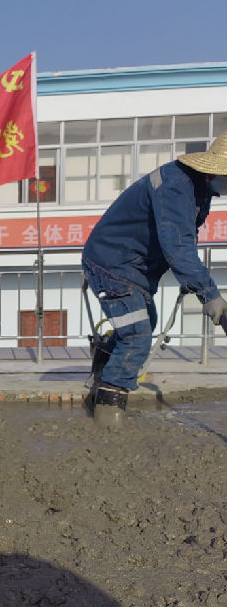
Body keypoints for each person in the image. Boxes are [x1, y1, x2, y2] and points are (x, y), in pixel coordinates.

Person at [82, 132, 227, 426]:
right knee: (137, 334)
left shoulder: (200, 187)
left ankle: (99, 377)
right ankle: (107, 416)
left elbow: (185, 237)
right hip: (113, 263)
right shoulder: (176, 186)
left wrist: (191, 278)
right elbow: (178, 246)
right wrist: (209, 293)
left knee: (145, 322)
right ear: (216, 171)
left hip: (133, 265)